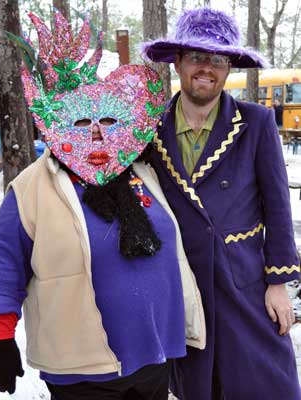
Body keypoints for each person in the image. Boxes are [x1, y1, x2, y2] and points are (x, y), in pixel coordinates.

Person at [0, 10, 206, 399]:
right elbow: (1, 263)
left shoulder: (144, 172)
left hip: (155, 358)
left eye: (107, 120)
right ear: (55, 126)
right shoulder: (33, 188)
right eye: (82, 124)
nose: (98, 135)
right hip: (81, 372)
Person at [142, 7, 301, 400]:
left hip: (242, 282)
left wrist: (279, 282)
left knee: (268, 383)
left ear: (228, 69)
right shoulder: (148, 129)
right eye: (196, 56)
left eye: (218, 59)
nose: (206, 68)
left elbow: (278, 209)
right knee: (198, 387)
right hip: (182, 285)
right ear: (177, 62)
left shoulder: (256, 123)